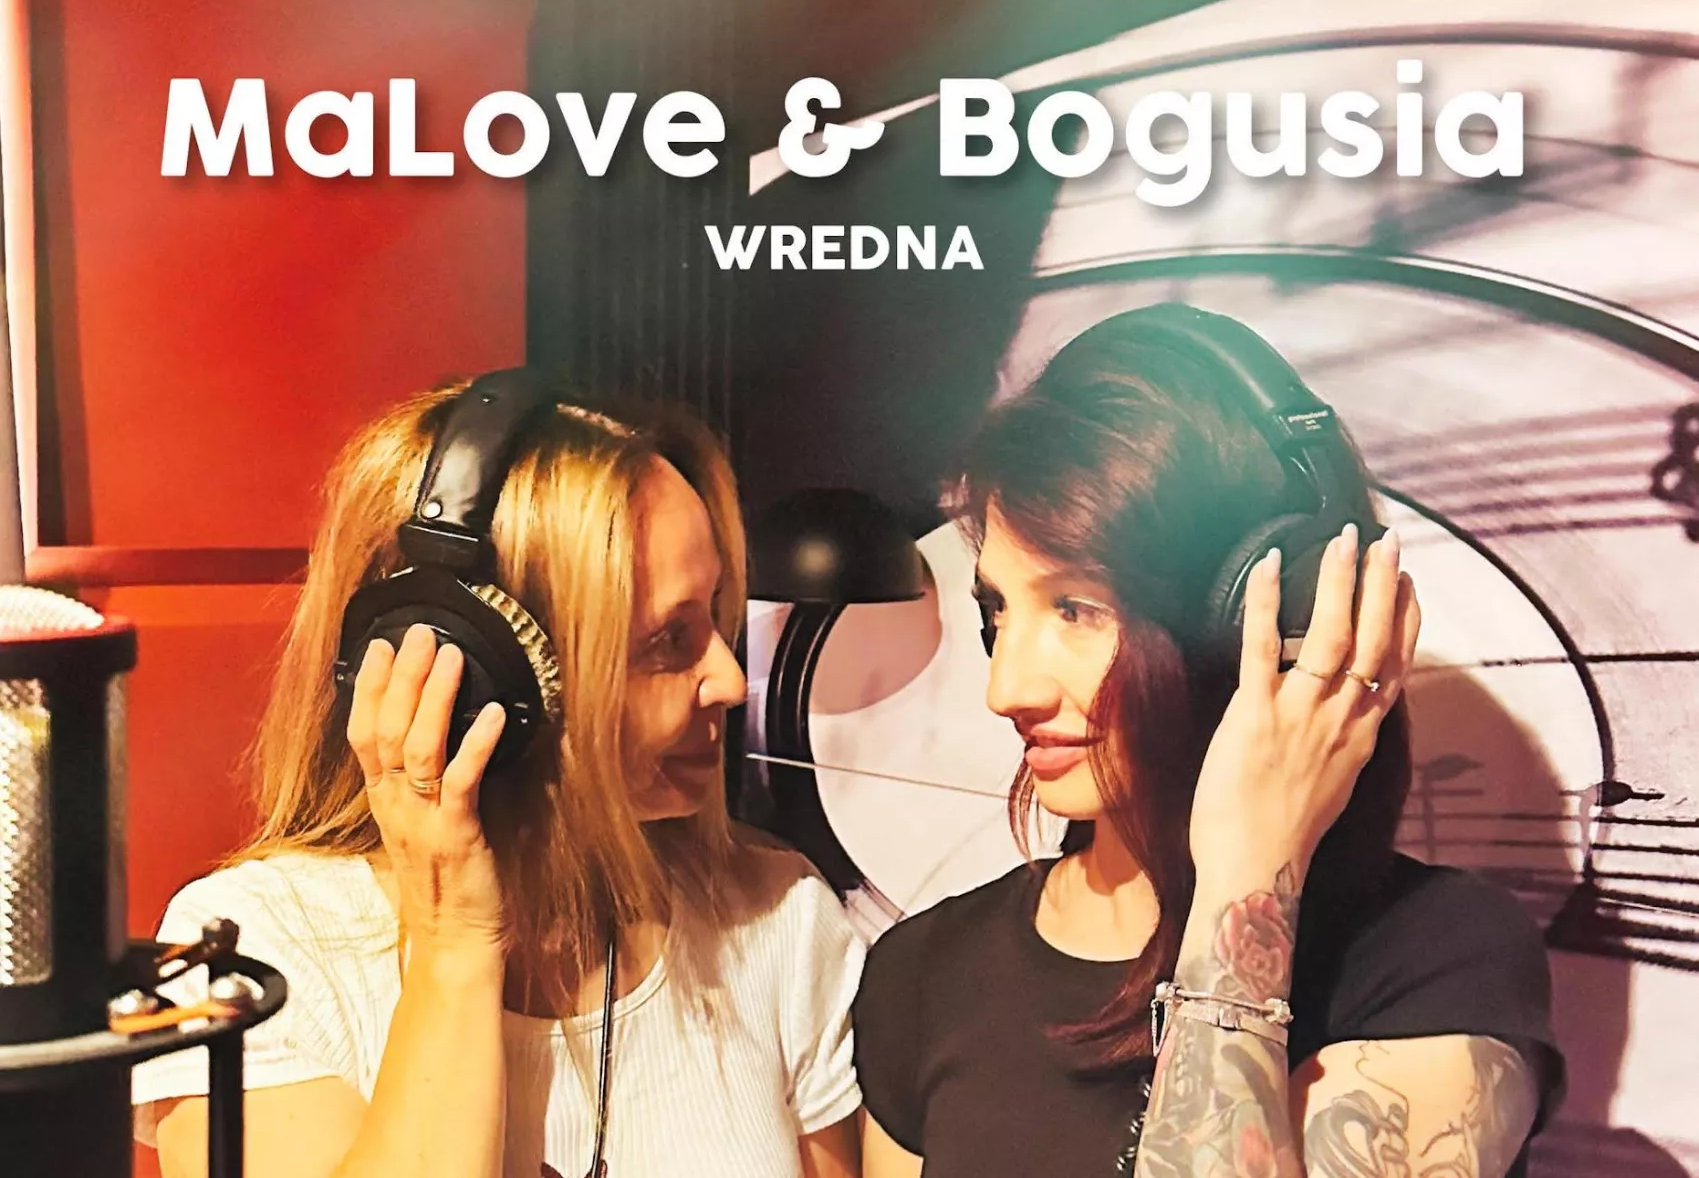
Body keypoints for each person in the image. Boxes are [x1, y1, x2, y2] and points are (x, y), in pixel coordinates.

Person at [852, 305, 1564, 1178]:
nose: (1008, 689)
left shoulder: (1437, 961)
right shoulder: (921, 974)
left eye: (1077, 607)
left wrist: (1243, 871)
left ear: (1273, 617)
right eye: (999, 608)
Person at [131, 375, 864, 1178]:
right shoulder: (251, 960)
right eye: (668, 640)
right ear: (477, 674)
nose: (729, 680)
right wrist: (454, 941)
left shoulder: (779, 919)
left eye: (715, 614)